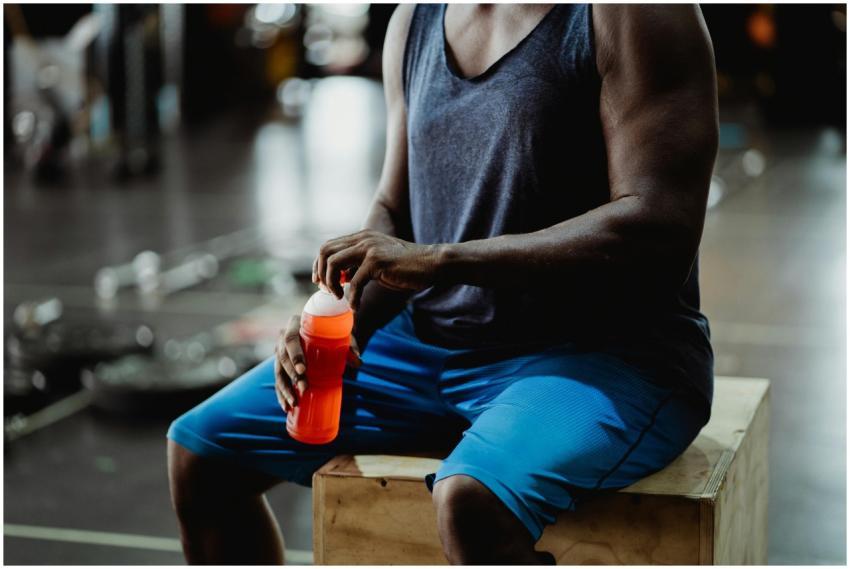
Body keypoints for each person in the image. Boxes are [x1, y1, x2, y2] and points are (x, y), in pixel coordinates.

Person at [167, 4, 718, 564]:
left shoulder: (632, 12)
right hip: (429, 343)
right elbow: (395, 209)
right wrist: (339, 314)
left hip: (604, 356)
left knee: (473, 501)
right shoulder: (416, 19)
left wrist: (441, 261)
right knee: (202, 451)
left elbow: (659, 226)